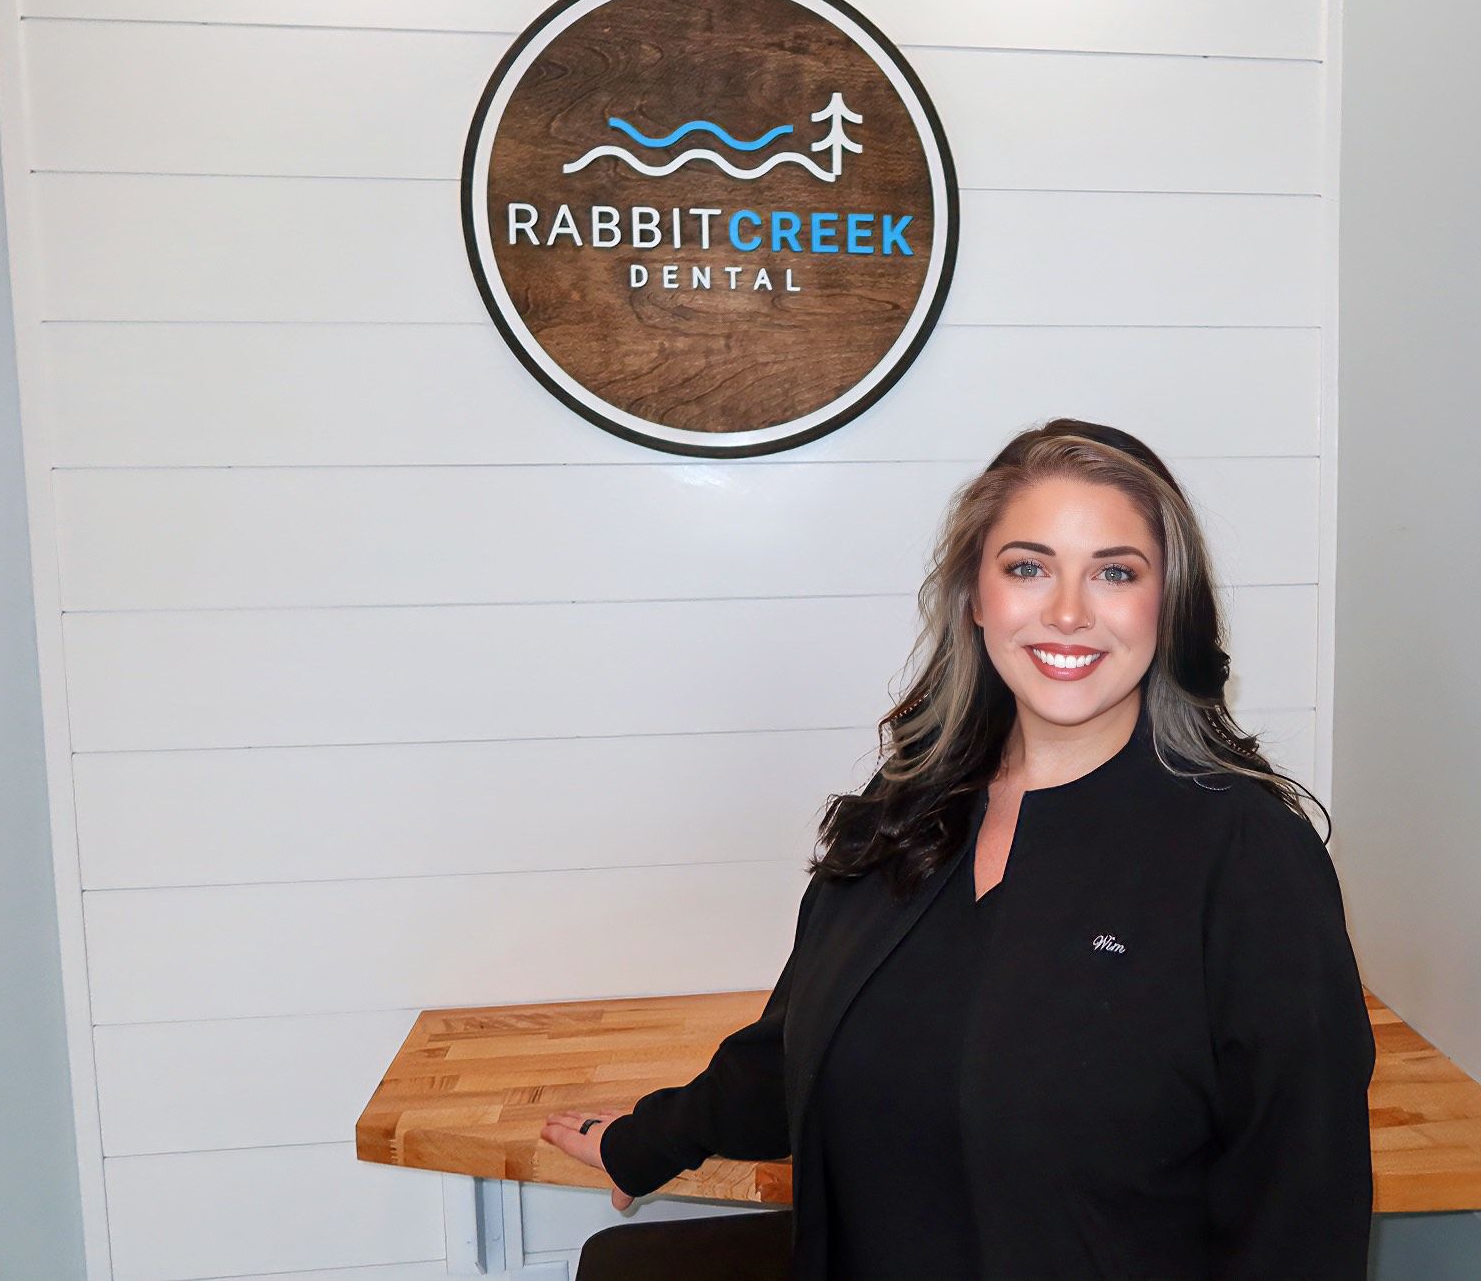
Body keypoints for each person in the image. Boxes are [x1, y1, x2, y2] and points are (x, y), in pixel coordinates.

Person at [541, 419, 1377, 1279]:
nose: (1066, 611)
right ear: (977, 598)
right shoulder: (904, 813)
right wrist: (650, 1138)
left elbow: (1303, 1211)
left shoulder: (1248, 857)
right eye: (1028, 567)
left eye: (1115, 573)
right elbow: (796, 1047)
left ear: (1169, 607)